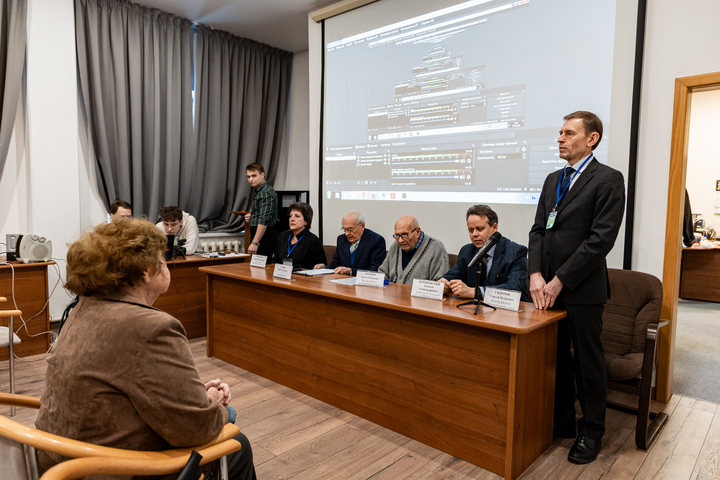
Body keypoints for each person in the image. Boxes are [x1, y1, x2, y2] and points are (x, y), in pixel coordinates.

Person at [35, 218, 257, 480]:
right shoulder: (152, 327)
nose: (167, 263)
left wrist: (194, 394)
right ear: (145, 272)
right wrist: (213, 402)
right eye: (162, 258)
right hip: (101, 469)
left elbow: (124, 382)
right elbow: (198, 428)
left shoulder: (82, 308)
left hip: (56, 457)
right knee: (237, 440)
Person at [528, 111, 625, 465]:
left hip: (581, 289)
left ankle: (592, 431)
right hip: (545, 289)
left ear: (592, 139)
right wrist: (535, 273)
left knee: (587, 363)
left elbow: (600, 241)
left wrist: (560, 279)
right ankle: (562, 421)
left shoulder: (608, 179)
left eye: (569, 133)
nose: (560, 138)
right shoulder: (553, 179)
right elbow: (539, 230)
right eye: (560, 132)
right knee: (554, 359)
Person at [440, 205, 530, 302]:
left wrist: (474, 292)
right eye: (471, 230)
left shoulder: (515, 251)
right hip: (474, 309)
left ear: (494, 227)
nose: (474, 234)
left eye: (479, 229)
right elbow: (451, 276)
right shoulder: (467, 250)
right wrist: (444, 284)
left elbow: (515, 287)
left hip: (510, 308)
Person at [379, 215, 449, 285]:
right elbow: (382, 274)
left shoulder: (436, 248)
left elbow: (440, 284)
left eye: (405, 235)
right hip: (392, 291)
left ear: (417, 232)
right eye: (397, 235)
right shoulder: (396, 245)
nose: (400, 240)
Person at [314, 210, 386, 275]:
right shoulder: (341, 239)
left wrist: (351, 271)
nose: (346, 234)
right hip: (342, 283)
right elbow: (335, 266)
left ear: (362, 226)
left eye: (350, 229)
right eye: (344, 229)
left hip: (365, 283)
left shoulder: (376, 241)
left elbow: (375, 271)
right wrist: (325, 268)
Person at [274, 202, 326, 270]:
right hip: (281, 274)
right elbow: (275, 262)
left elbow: (322, 266)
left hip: (303, 276)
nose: (292, 219)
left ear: (306, 221)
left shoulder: (313, 240)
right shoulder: (282, 236)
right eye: (290, 216)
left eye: (297, 216)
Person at [244, 163, 278, 262]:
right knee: (257, 268)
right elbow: (264, 212)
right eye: (248, 176)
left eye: (254, 176)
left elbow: (264, 219)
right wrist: (253, 216)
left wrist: (255, 243)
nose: (251, 179)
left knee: (260, 268)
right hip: (262, 234)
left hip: (265, 235)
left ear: (262, 175)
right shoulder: (262, 190)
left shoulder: (265, 192)